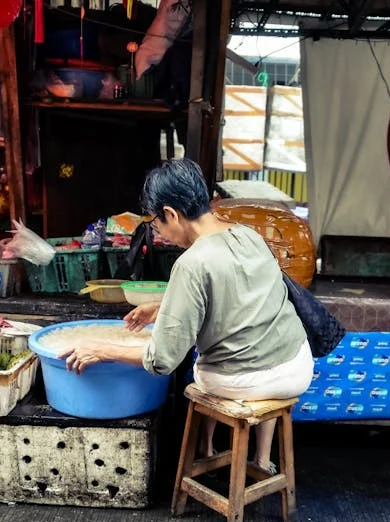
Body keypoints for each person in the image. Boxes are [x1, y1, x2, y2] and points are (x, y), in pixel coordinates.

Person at [59, 159, 313, 473]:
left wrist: (98, 348)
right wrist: (164, 304)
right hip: (297, 364)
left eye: (157, 224)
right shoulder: (248, 235)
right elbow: (231, 293)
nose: (160, 233)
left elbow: (162, 360)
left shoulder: (191, 263)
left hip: (249, 379)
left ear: (171, 214)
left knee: (197, 362)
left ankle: (204, 452)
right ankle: (258, 458)